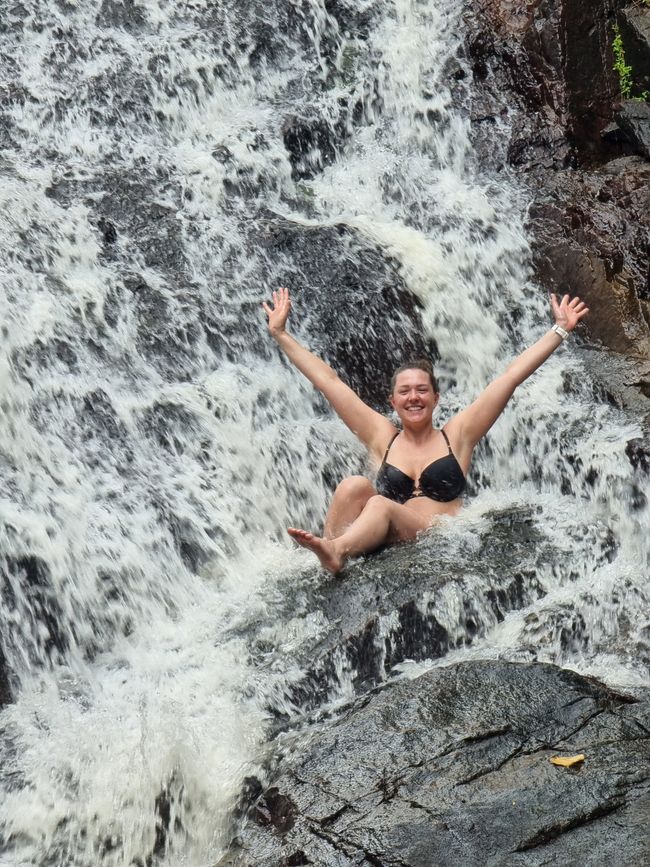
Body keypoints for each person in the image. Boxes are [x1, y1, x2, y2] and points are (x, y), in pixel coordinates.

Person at [263, 287, 588, 573]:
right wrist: (281, 335)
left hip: (433, 536)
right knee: (352, 486)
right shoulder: (382, 437)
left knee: (379, 504)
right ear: (392, 400)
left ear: (436, 398)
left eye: (421, 390)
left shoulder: (457, 435)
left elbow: (509, 378)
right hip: (383, 535)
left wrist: (559, 330)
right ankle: (331, 556)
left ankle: (336, 551)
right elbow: (328, 382)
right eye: (404, 391)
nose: (413, 397)